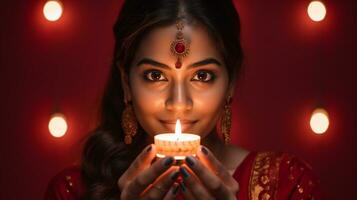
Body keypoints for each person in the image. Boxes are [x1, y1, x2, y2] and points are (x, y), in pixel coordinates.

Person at [45, 0, 323, 199]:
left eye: (202, 76)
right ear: (126, 82)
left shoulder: (285, 184)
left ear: (231, 83)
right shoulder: (72, 191)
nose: (178, 103)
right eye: (155, 75)